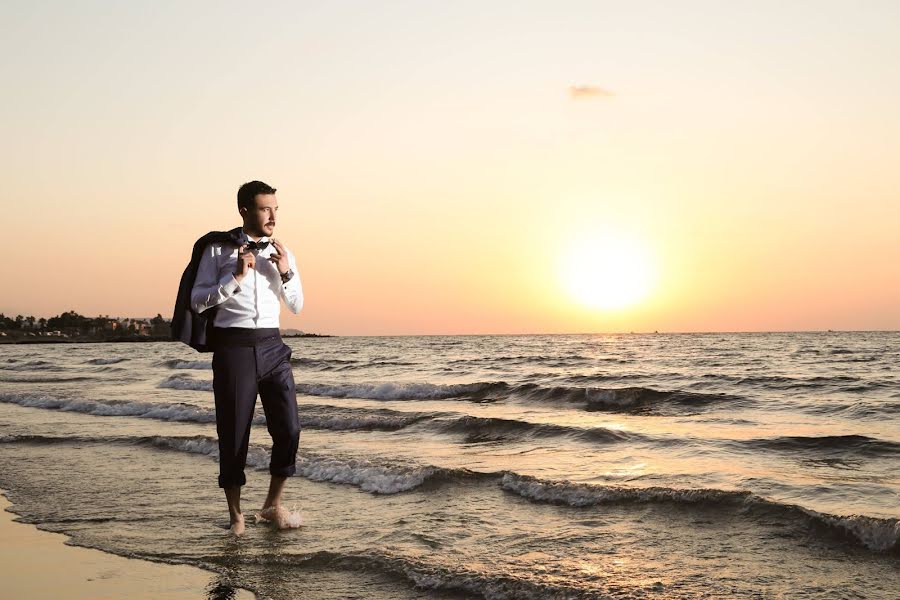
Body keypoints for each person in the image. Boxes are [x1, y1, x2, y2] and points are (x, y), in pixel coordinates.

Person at [189, 180, 303, 534]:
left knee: (290, 429)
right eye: (265, 209)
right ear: (244, 210)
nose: (272, 216)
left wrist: (285, 272)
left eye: (275, 209)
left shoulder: (284, 252)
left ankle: (272, 505)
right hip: (234, 347)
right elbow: (197, 300)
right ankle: (236, 515)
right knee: (234, 432)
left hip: (273, 346)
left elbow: (297, 305)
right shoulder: (216, 250)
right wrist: (236, 278)